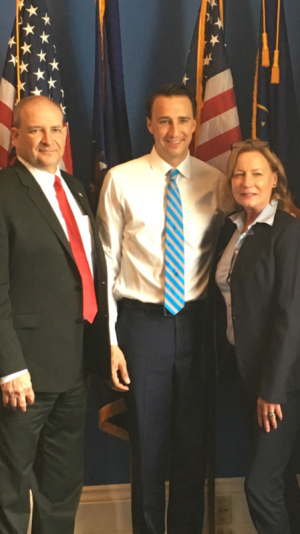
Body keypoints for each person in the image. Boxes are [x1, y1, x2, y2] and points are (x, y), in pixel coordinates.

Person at [97, 84, 224, 534]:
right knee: (147, 449)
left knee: (193, 448)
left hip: (196, 327)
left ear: (195, 123)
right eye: (164, 120)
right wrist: (111, 342)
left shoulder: (217, 181)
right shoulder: (121, 179)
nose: (174, 130)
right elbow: (107, 266)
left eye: (183, 120)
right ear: (149, 124)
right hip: (141, 327)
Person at [0, 95, 110, 534]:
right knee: (8, 488)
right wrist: (9, 367)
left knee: (61, 488)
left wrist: (107, 346)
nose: (49, 139)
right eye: (36, 130)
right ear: (15, 136)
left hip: (74, 368)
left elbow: (89, 275)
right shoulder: (4, 192)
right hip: (23, 375)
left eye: (57, 129)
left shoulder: (78, 188)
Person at [209, 139, 300, 534]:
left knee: (261, 487)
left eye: (257, 173)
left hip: (279, 384)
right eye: (239, 173)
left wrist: (272, 389)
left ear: (274, 179)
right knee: (279, 482)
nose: (247, 181)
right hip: (245, 375)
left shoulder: (288, 231)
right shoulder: (232, 229)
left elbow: (290, 315)